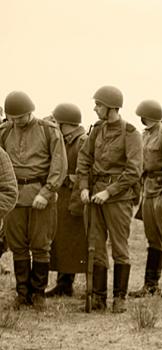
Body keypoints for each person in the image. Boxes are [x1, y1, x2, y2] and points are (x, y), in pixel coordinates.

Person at [76, 85, 142, 313]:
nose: (95, 109)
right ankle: (99, 297)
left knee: (120, 248)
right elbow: (84, 158)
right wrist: (84, 187)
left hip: (118, 199)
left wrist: (109, 192)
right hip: (94, 195)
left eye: (98, 105)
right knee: (95, 246)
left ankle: (120, 298)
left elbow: (134, 171)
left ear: (111, 107)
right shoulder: (96, 130)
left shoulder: (131, 133)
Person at [0, 91, 67, 309]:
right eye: (13, 118)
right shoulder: (4, 131)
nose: (17, 122)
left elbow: (59, 165)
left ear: (30, 112)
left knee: (40, 245)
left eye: (20, 117)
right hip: (14, 195)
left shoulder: (49, 131)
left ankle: (38, 293)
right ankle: (22, 293)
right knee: (17, 245)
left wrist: (46, 192)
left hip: (40, 193)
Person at [129, 100, 162, 298]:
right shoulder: (145, 135)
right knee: (152, 238)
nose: (142, 119)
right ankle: (150, 285)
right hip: (148, 189)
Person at [47, 104, 88, 297]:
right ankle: (63, 283)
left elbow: (85, 171)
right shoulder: (64, 140)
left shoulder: (82, 142)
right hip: (62, 197)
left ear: (65, 123)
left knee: (75, 242)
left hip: (74, 197)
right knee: (62, 241)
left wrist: (76, 199)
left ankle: (74, 284)